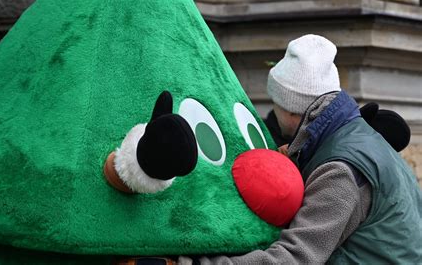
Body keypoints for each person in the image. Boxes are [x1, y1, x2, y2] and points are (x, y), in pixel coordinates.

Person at [180, 34, 422, 264]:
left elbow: (296, 259)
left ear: (292, 109)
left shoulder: (339, 170)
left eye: (275, 103)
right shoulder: (359, 138)